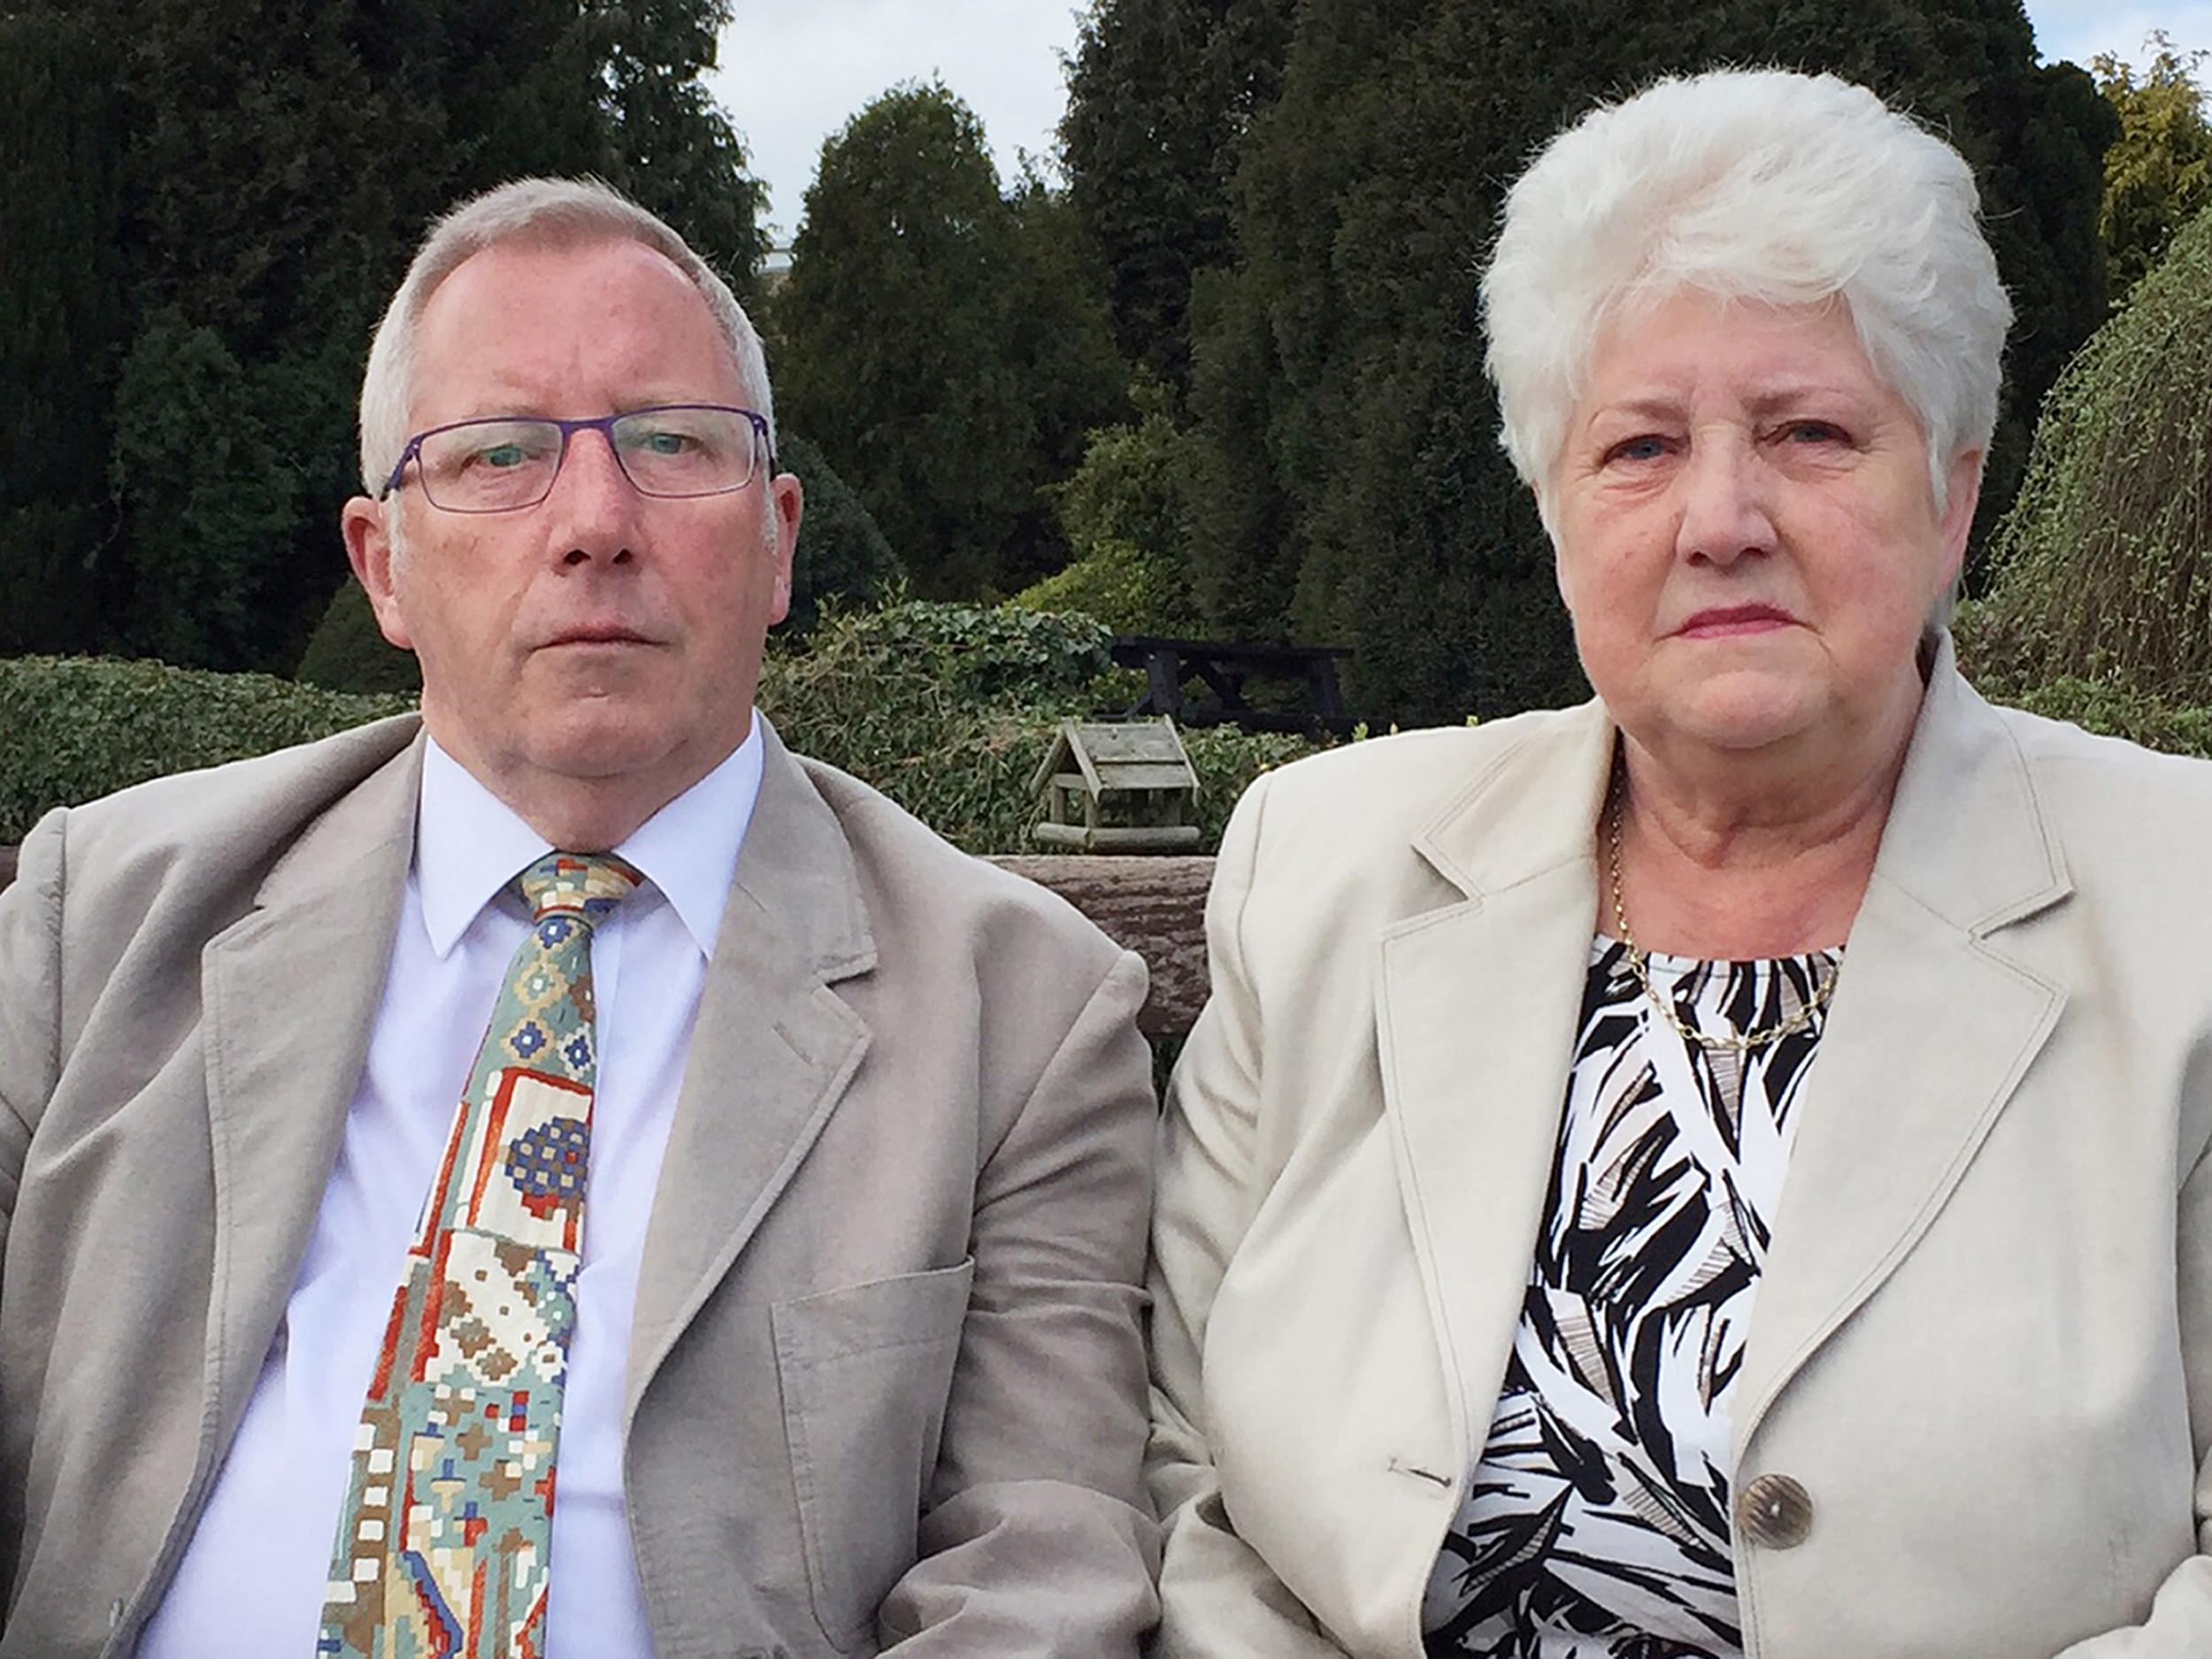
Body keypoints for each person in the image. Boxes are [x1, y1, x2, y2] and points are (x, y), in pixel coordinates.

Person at [0, 178, 1160, 1657]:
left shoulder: (1021, 1014)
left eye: (673, 445)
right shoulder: (93, 921)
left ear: (779, 541)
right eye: (499, 456)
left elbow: (1041, 1572)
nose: (595, 523)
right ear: (384, 566)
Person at [1146, 68, 2212, 1658]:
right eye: (1641, 446)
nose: (1723, 516)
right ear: (1557, 510)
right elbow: (1184, 1477)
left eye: (1810, 431)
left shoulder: (2183, 900)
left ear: (1954, 492)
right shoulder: (1323, 870)